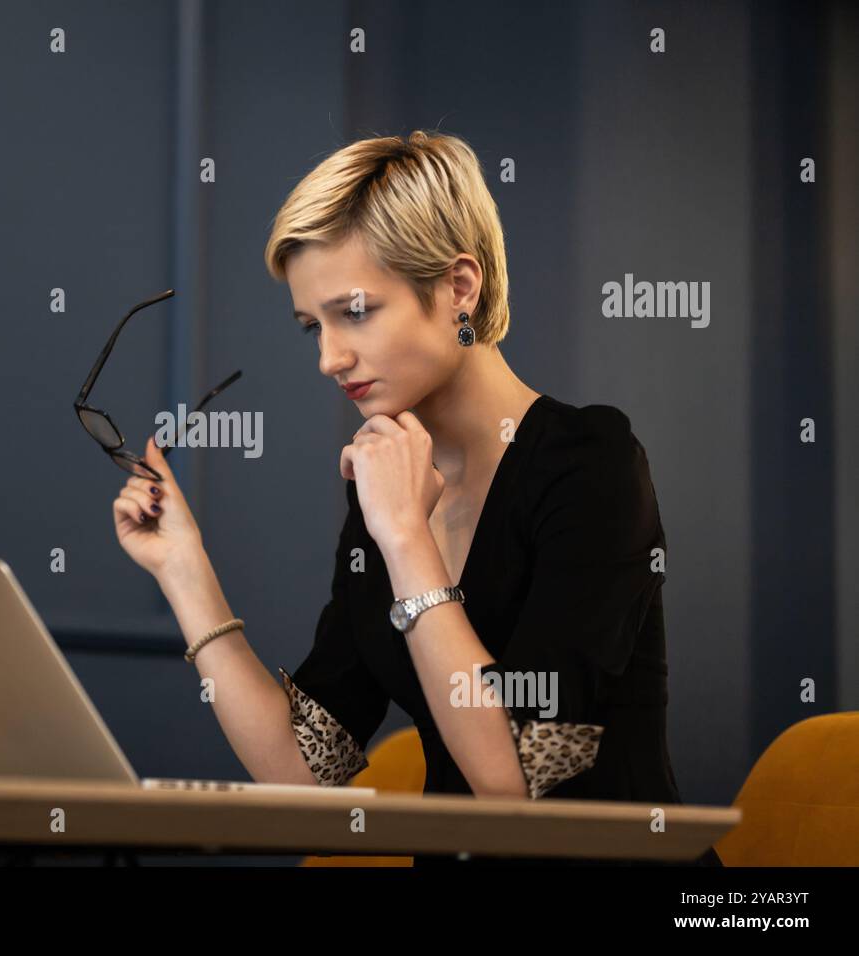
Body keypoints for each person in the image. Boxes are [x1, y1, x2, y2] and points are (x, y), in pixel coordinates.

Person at [110, 129, 720, 867]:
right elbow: (306, 771)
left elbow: (515, 776)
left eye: (356, 312)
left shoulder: (590, 465)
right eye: (313, 326)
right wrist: (183, 569)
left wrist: (405, 537)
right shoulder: (387, 483)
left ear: (459, 288)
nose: (330, 357)